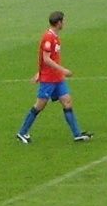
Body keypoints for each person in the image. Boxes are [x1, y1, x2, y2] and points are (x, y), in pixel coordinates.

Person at [16, 10, 93, 143]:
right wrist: (62, 70)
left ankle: (77, 134)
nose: (64, 23)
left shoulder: (55, 37)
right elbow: (46, 58)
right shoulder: (48, 38)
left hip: (57, 78)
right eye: (63, 21)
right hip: (49, 79)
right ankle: (22, 132)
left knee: (67, 101)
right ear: (58, 23)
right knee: (40, 105)